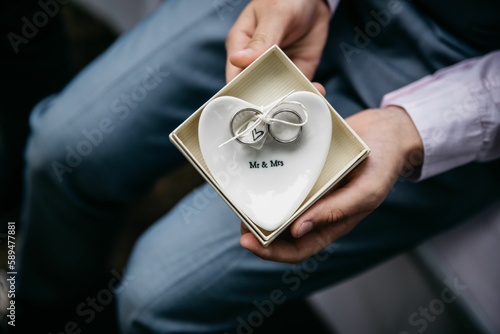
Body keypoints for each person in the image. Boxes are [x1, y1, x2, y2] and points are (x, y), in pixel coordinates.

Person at [16, 0, 499, 333]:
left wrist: (413, 130)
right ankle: (37, 310)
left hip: (464, 77)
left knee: (155, 295)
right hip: (297, 15)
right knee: (61, 148)